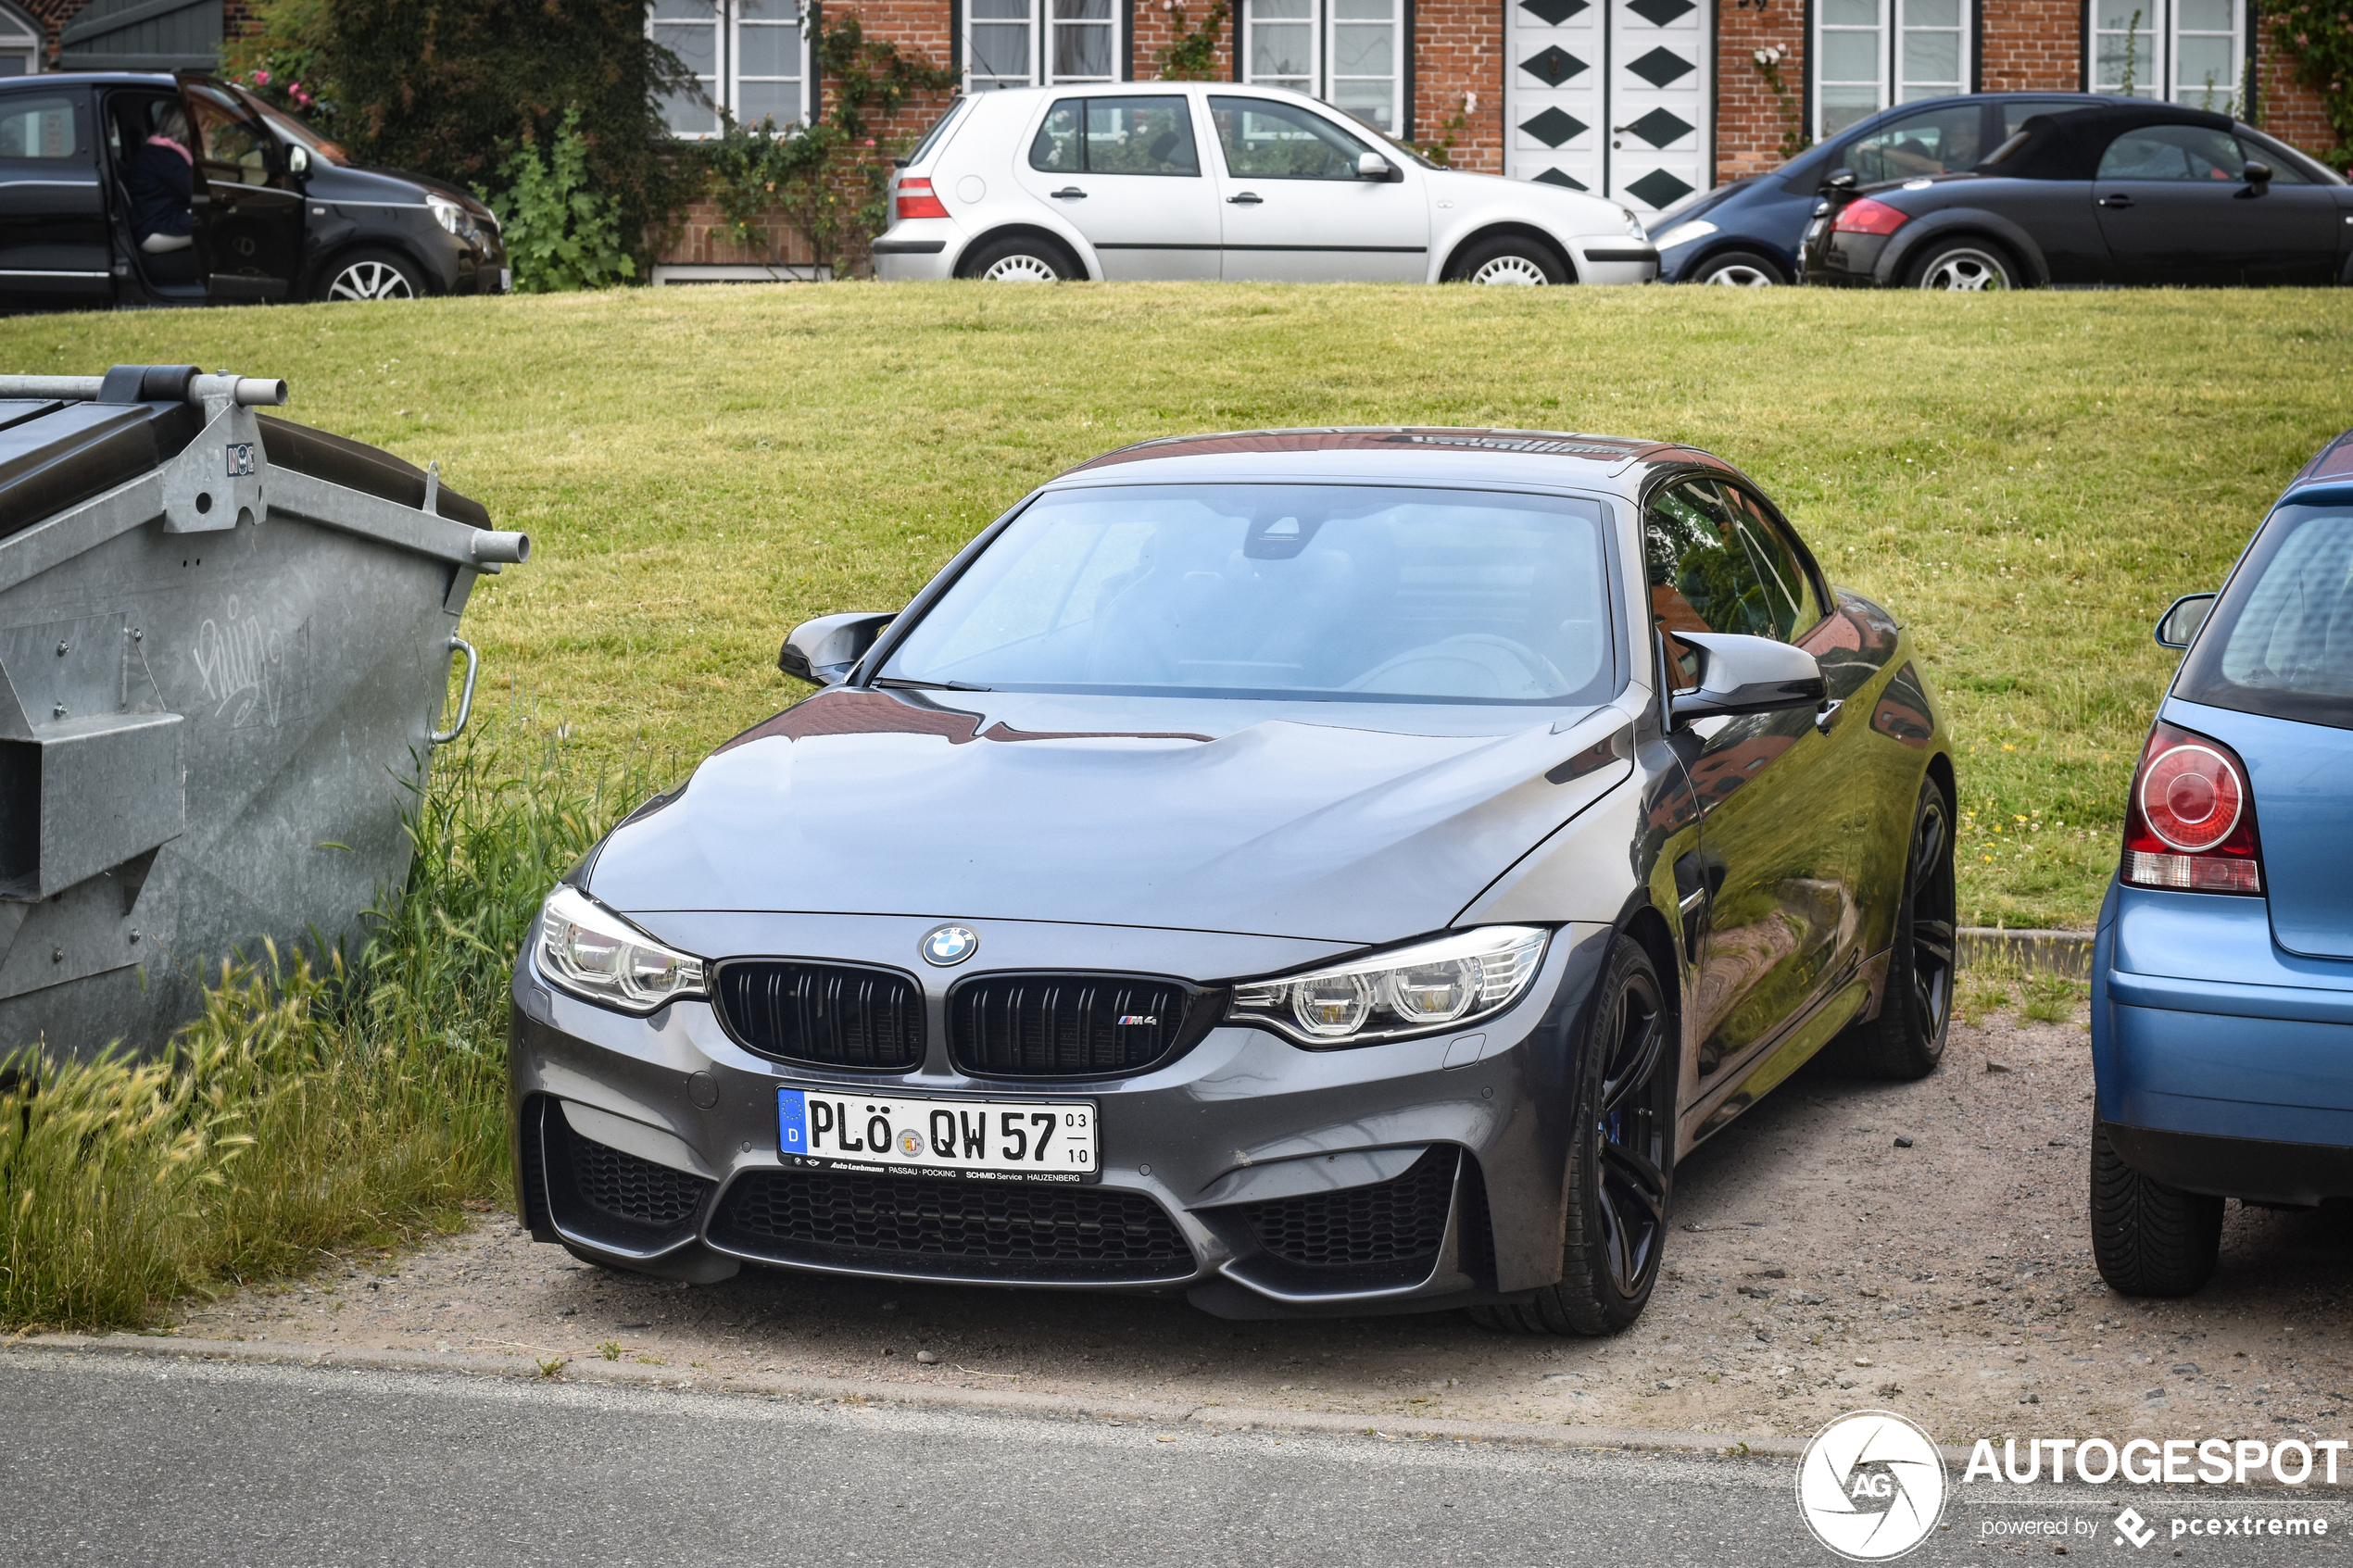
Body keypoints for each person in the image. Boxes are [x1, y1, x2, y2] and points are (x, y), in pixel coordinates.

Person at [125, 101, 194, 255]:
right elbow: (199, 192)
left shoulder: (159, 153)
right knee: (223, 223)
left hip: (160, 221)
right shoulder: (164, 158)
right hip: (156, 228)